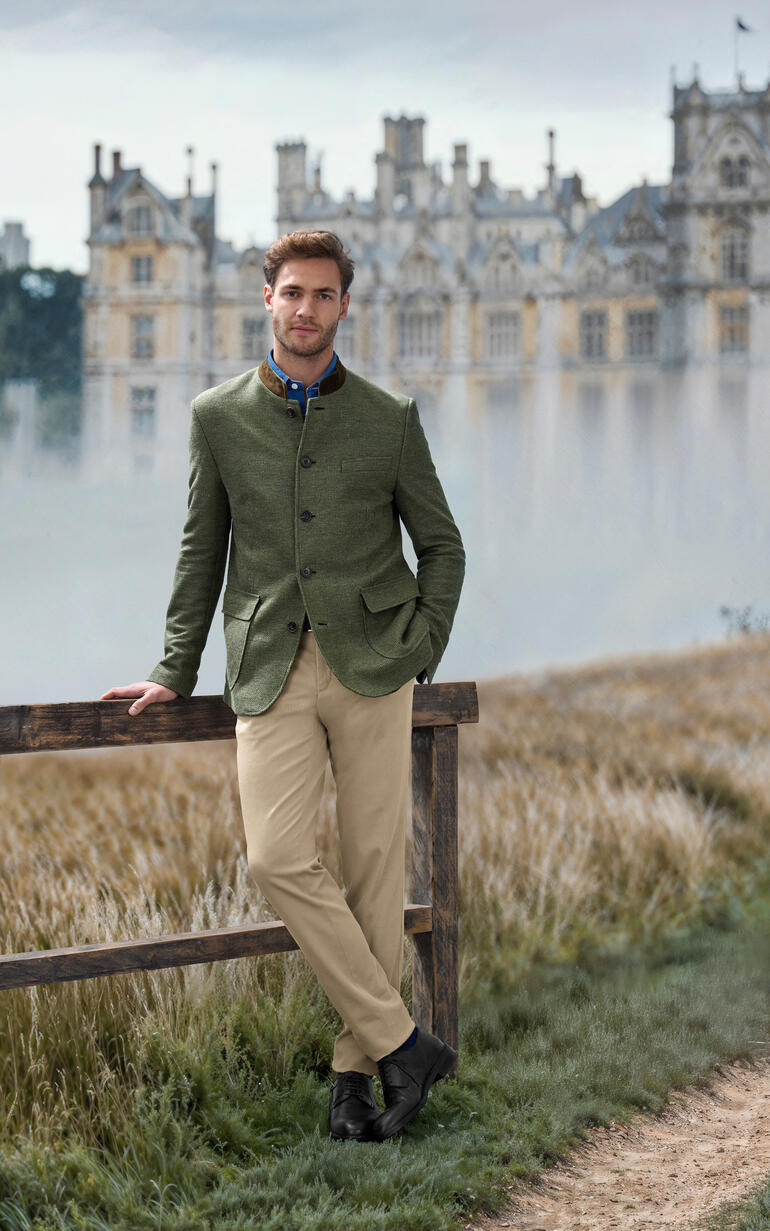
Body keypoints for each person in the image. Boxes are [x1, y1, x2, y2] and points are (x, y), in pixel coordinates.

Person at [101, 229, 465, 1142]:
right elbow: (201, 549)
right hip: (267, 665)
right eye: (292, 292)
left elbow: (443, 545)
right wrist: (174, 668)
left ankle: (354, 1083)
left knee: (377, 875)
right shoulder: (217, 416)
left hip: (376, 664)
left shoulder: (389, 416)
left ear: (346, 306)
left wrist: (423, 642)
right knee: (276, 858)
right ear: (265, 298)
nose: (307, 309)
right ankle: (402, 1042)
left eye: (324, 295)